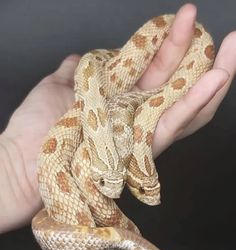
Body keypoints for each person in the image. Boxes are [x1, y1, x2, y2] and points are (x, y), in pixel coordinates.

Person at [0, 3, 235, 234]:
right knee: (90, 63)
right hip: (108, 110)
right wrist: (12, 168)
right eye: (105, 183)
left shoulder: (120, 142)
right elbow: (90, 65)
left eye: (119, 182)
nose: (113, 193)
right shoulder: (101, 137)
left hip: (118, 109)